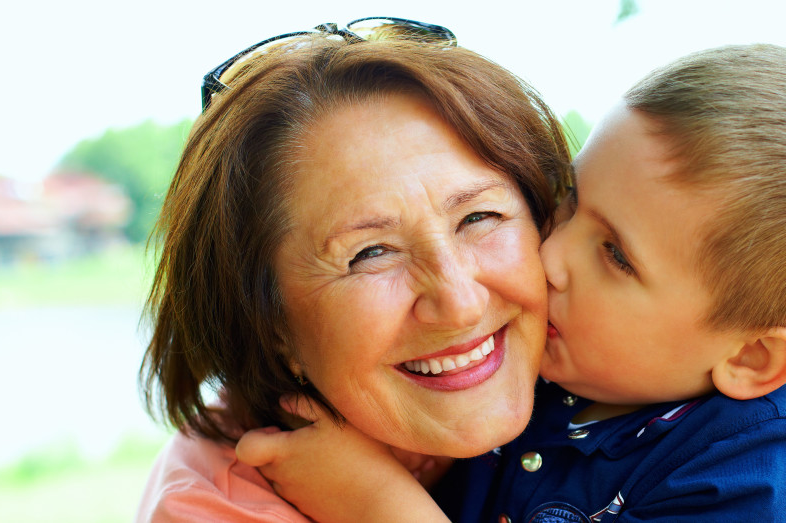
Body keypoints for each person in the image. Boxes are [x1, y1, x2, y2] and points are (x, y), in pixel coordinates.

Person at [236, 44, 786, 522]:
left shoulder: (746, 470)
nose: (551, 254)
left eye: (616, 255)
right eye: (566, 202)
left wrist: (379, 504)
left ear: (750, 358)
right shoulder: (538, 377)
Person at [135, 17, 572, 522]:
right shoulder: (209, 509)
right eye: (371, 254)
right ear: (271, 323)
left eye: (479, 217)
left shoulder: (618, 385)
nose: (460, 303)